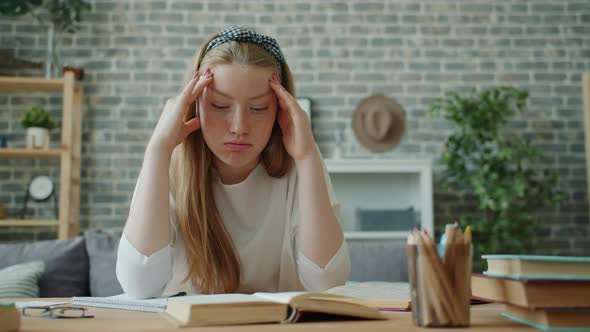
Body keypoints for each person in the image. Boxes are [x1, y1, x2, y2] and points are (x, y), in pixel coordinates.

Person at [116, 26, 350, 298]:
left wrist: (308, 157)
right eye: (220, 106)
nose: (239, 127)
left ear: (280, 109)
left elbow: (328, 283)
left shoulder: (302, 162)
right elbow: (138, 285)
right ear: (194, 103)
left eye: (259, 108)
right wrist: (157, 150)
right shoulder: (169, 163)